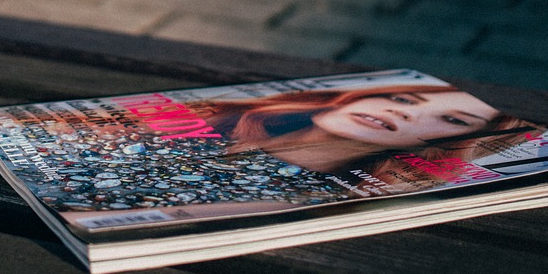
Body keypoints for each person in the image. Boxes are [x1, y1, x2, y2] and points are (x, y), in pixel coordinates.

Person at [190, 83, 528, 181]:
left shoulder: (362, 193)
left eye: (454, 121)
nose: (400, 111)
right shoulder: (218, 118)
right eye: (401, 97)